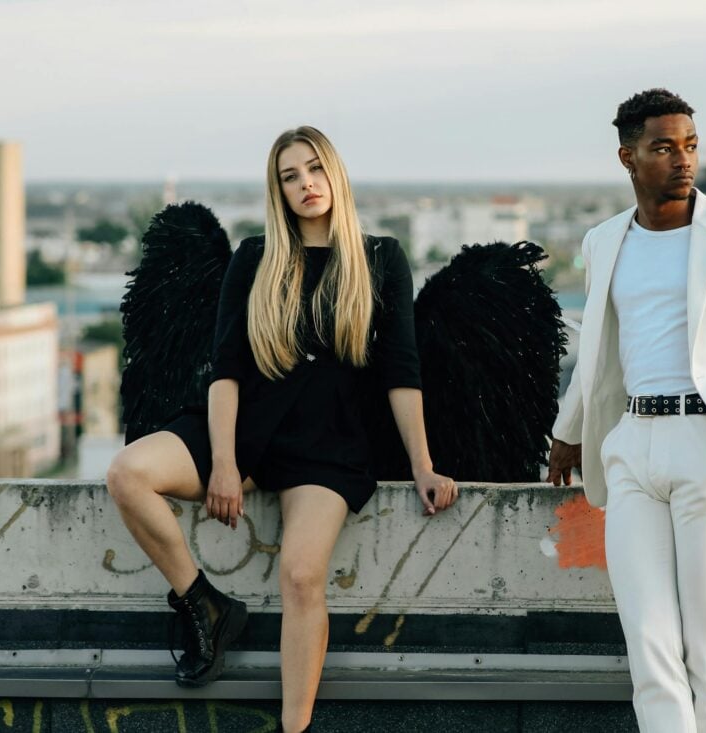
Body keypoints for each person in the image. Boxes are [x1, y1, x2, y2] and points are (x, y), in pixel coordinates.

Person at [106, 125, 457, 733]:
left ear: (335, 175)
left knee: (300, 575)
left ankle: (295, 728)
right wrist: (221, 461)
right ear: (278, 191)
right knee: (127, 472)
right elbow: (227, 369)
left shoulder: (381, 258)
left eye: (314, 169)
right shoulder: (254, 258)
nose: (305, 184)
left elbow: (403, 371)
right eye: (289, 176)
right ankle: (205, 605)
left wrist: (423, 464)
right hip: (241, 428)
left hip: (328, 444)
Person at [548, 89, 706, 732]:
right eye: (664, 147)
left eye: (690, 145)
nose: (683, 160)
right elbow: (600, 353)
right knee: (649, 641)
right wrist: (568, 432)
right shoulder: (604, 240)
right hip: (632, 445)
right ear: (628, 157)